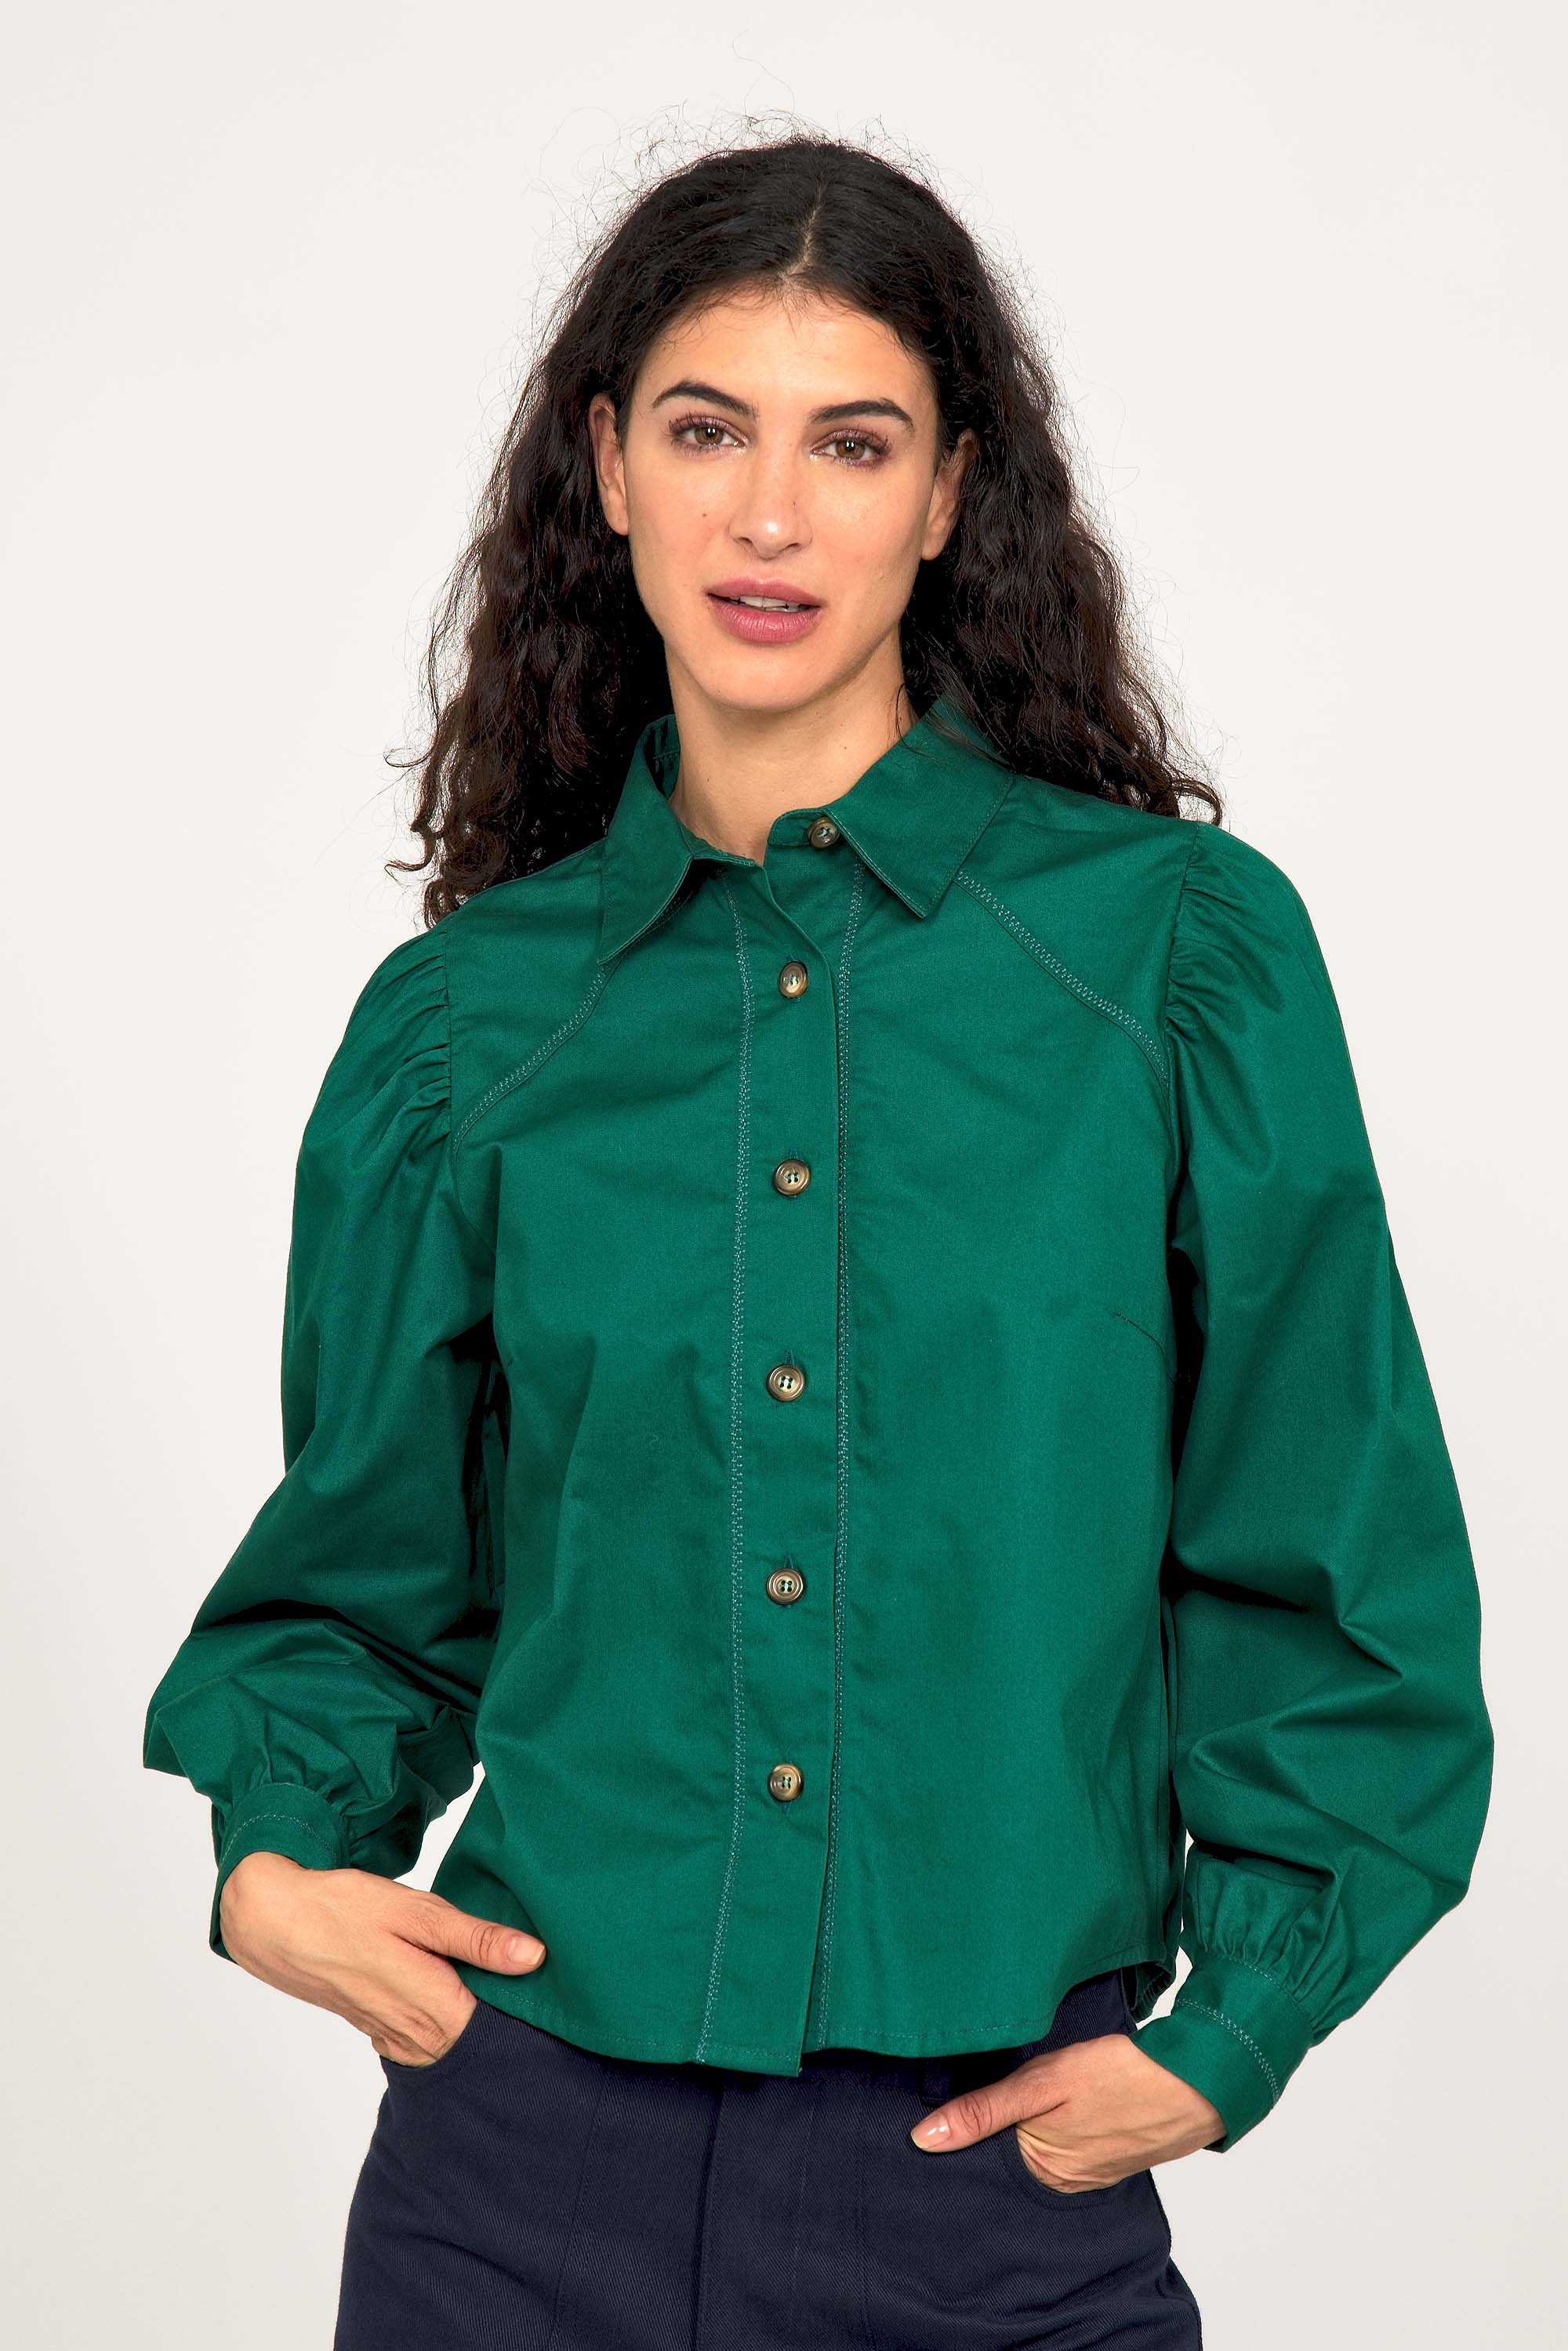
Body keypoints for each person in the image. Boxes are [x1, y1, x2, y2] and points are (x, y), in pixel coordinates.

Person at [141, 130, 1494, 2349]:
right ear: (608, 467)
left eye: (852, 442)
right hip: (514, 2180)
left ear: (950, 495)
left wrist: (1238, 2023)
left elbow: (1327, 1551)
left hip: (989, 2193)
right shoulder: (472, 1026)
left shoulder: (1169, 966)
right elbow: (369, 1568)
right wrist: (275, 1863)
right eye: (707, 431)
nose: (770, 515)